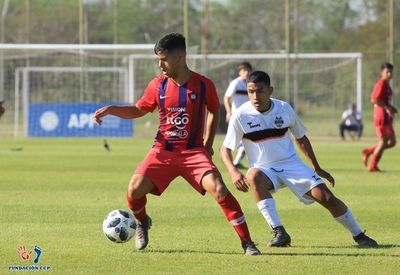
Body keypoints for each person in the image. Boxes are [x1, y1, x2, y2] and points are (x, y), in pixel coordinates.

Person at [93, 33, 260, 255]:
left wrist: (208, 144)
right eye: (158, 59)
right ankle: (142, 222)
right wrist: (112, 109)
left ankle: (247, 243)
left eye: (163, 59)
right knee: (133, 191)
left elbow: (213, 111)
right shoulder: (157, 85)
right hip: (163, 151)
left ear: (180, 57)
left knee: (219, 189)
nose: (160, 64)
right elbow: (139, 109)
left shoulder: (203, 85)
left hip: (193, 153)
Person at [220, 70, 378, 248]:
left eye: (260, 91)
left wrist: (316, 167)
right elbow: (225, 149)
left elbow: (301, 138)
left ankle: (359, 236)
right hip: (264, 170)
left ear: (270, 90)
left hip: (291, 164)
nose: (255, 96)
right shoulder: (240, 115)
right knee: (253, 175)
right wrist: (233, 171)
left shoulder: (283, 108)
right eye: (251, 91)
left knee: (326, 197)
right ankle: (279, 232)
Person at [362, 63, 397, 172]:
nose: (389, 74)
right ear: (381, 73)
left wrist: (391, 108)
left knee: (392, 142)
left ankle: (369, 151)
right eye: (387, 72)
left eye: (391, 72)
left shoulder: (387, 85)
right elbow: (374, 99)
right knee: (383, 142)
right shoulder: (381, 83)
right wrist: (386, 108)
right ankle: (373, 166)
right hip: (381, 116)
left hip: (387, 117)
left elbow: (384, 100)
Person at [223, 62, 253, 168]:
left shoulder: (250, 84)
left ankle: (236, 163)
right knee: (232, 142)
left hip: (248, 117)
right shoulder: (235, 83)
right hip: (237, 117)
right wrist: (228, 111)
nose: (246, 72)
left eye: (248, 70)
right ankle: (232, 162)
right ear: (240, 72)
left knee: (248, 139)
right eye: (244, 70)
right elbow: (226, 97)